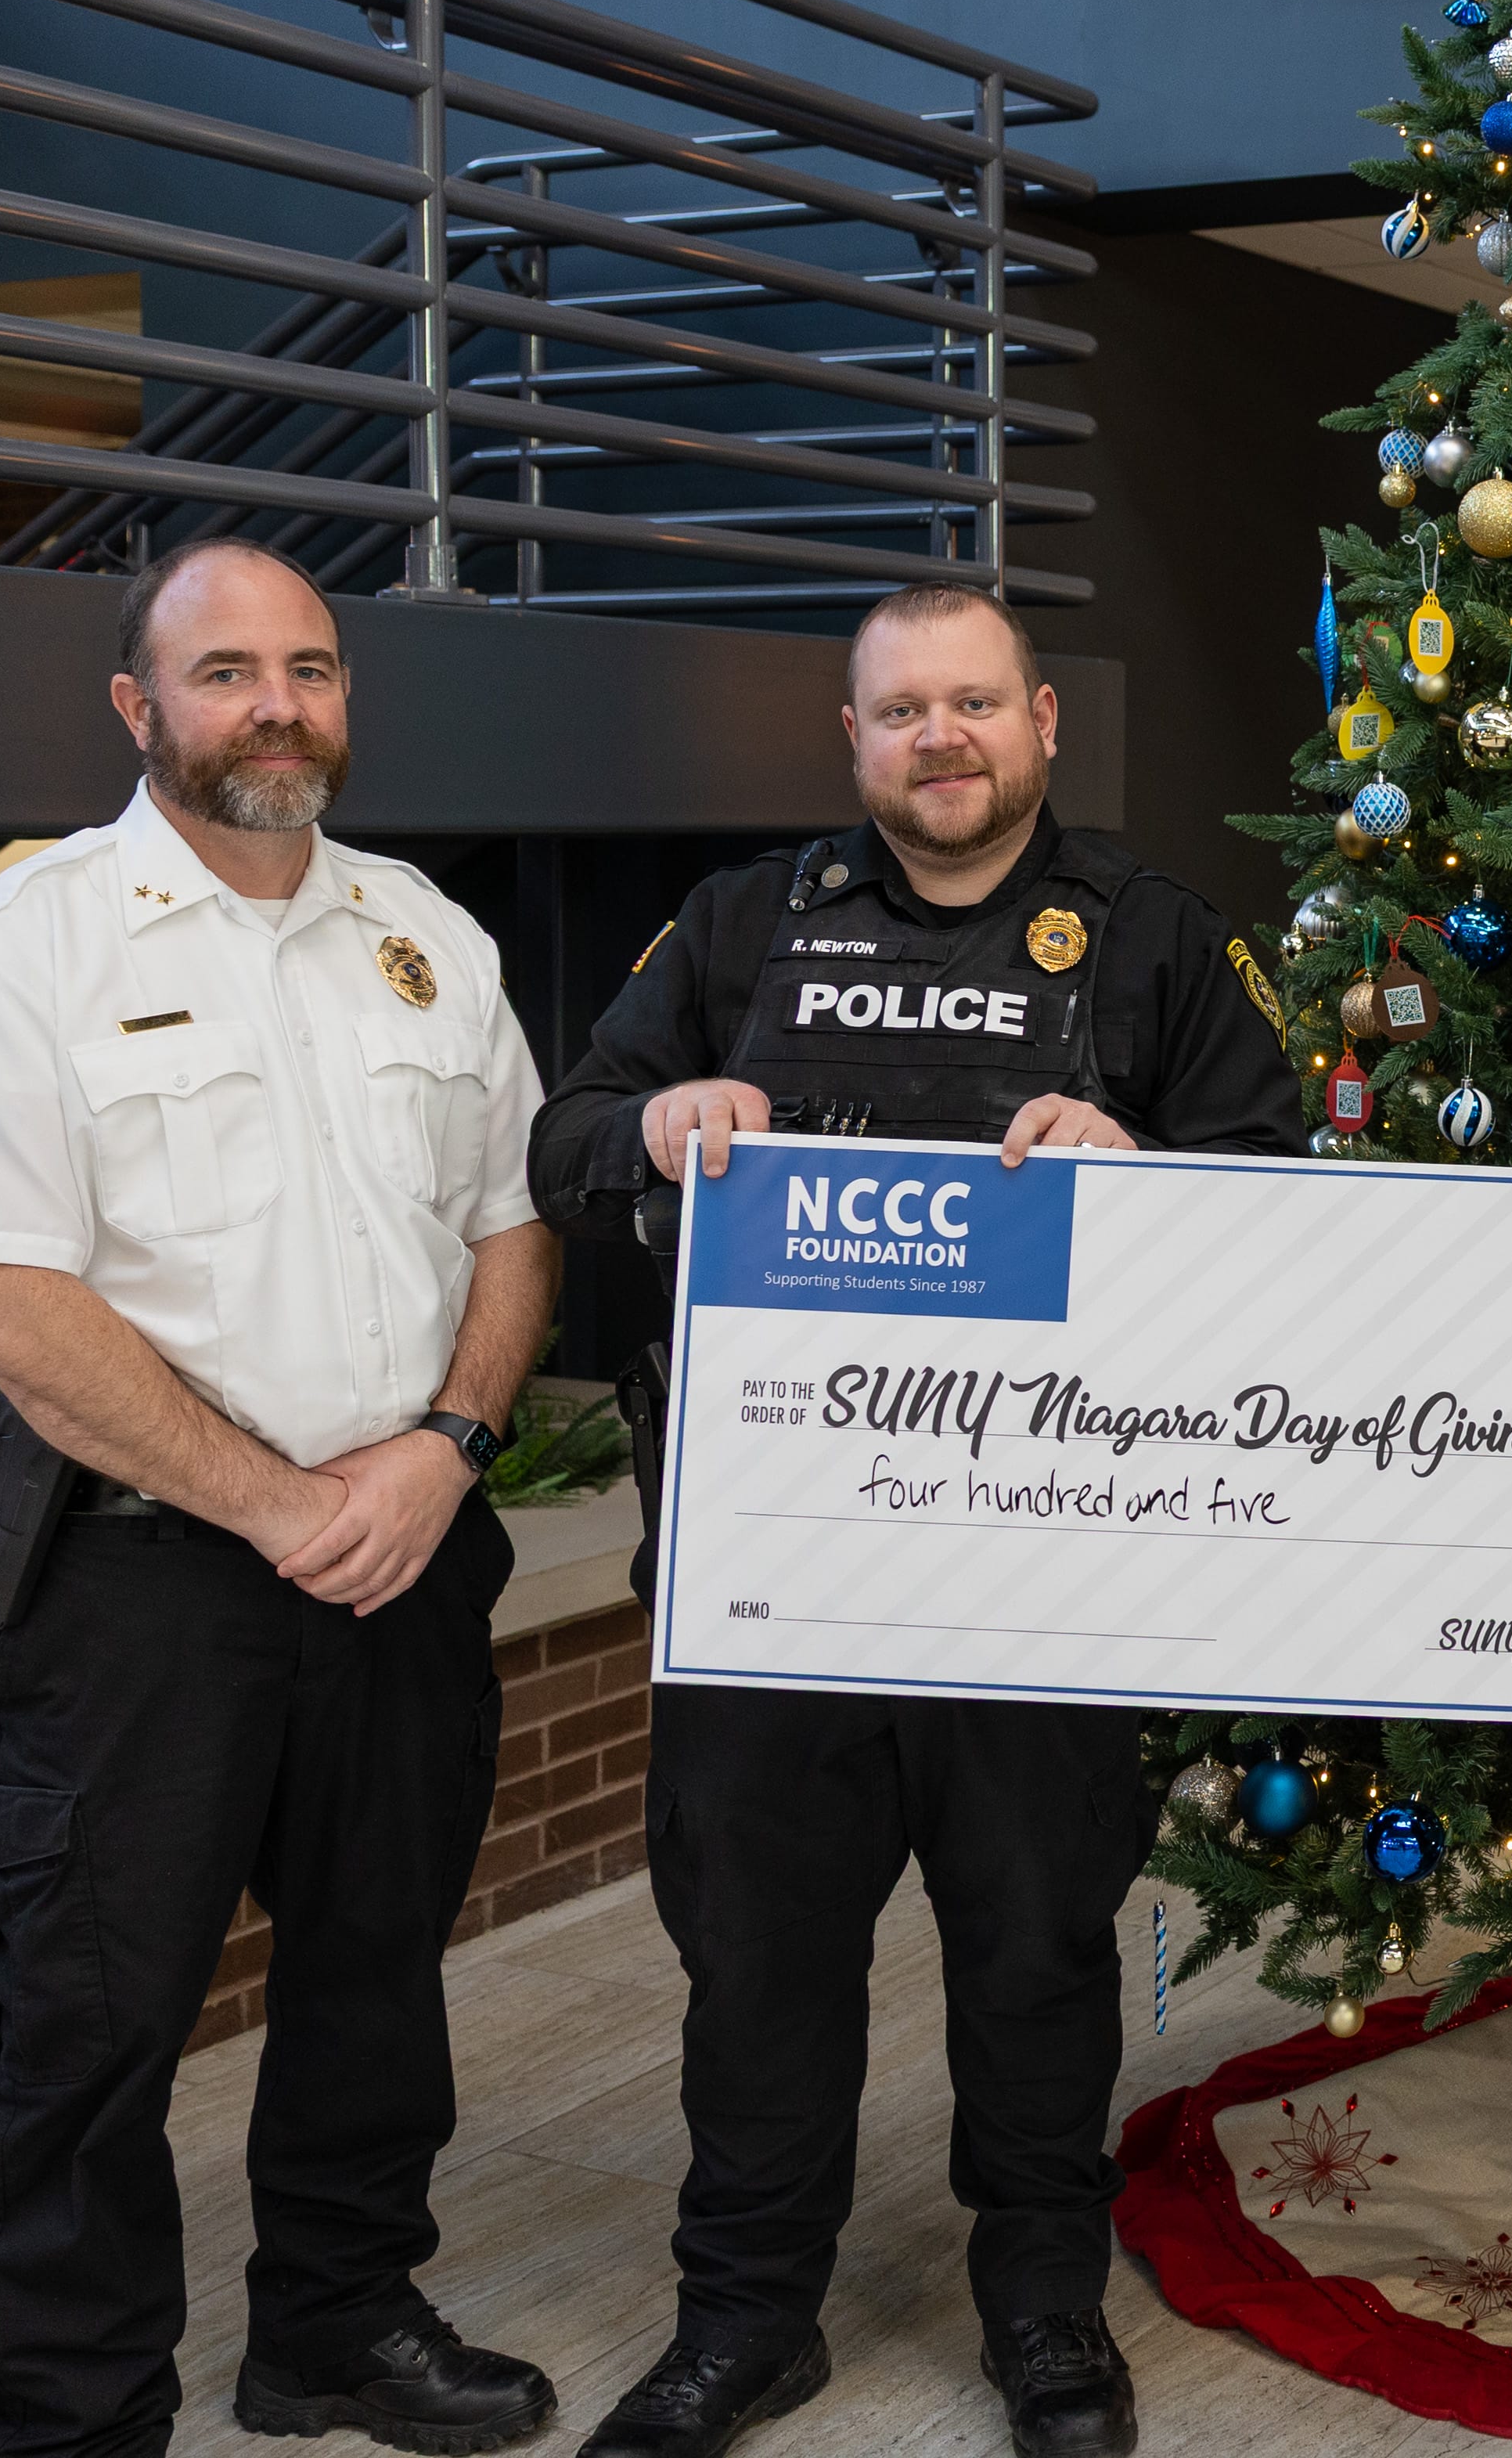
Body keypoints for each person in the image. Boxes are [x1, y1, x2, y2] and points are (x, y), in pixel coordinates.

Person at [524, 581, 1293, 2458]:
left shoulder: (1162, 939)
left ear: (1040, 721)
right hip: (772, 1587)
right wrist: (655, 1121)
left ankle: (1045, 2315)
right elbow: (563, 1134)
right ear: (853, 740)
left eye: (971, 704)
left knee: (1039, 1957)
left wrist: (1151, 1176)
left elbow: (1287, 1197)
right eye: (899, 712)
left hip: (1042, 1591)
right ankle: (745, 2320)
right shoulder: (732, 928)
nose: (939, 739)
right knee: (758, 1966)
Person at [0, 535, 563, 2458]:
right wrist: (267, 1498)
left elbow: (507, 1229)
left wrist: (448, 1447)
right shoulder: (7, 950)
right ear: (136, 706)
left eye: (309, 667)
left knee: (373, 1986)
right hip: (143, 1584)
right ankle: (75, 2420)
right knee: (91, 2027)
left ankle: (333, 2323)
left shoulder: (425, 930)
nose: (276, 703)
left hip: (405, 1556)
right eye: (226, 669)